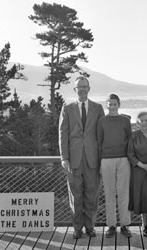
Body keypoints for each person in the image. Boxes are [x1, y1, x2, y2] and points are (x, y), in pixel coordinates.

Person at [59, 76, 105, 239]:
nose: (83, 89)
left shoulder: (98, 108)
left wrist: (102, 160)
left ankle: (90, 227)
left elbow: (102, 136)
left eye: (85, 86)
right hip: (73, 160)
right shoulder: (67, 108)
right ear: (75, 89)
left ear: (89, 88)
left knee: (92, 196)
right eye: (79, 87)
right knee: (75, 196)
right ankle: (77, 228)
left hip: (93, 159)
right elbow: (63, 134)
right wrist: (64, 157)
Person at [97, 93, 132, 238]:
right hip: (106, 160)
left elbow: (130, 141)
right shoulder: (102, 121)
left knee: (124, 193)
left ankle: (124, 225)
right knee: (109, 194)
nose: (112, 106)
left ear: (119, 104)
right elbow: (99, 143)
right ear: (106, 105)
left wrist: (130, 160)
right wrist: (100, 162)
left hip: (123, 160)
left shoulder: (125, 121)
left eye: (114, 104)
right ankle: (111, 225)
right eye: (109, 104)